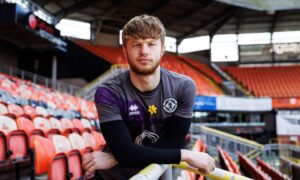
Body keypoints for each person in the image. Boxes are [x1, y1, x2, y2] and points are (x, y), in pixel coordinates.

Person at [82, 14, 215, 179]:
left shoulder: (183, 87)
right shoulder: (108, 92)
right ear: (125, 50)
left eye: (151, 44)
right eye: (136, 45)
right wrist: (185, 155)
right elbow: (125, 150)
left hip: (155, 172)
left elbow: (173, 144)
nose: (144, 51)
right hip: (111, 176)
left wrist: (119, 157)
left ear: (162, 49)